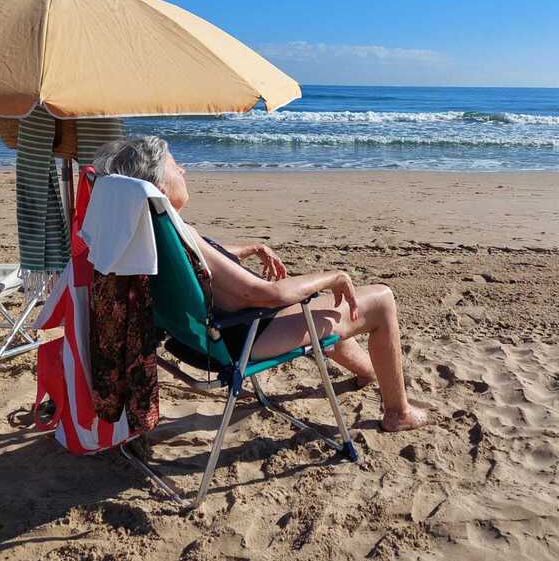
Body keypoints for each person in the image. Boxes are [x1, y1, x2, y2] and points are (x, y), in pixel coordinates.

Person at [92, 135, 429, 432]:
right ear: (160, 187)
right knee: (380, 300)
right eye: (175, 165)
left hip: (197, 339)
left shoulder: (146, 236)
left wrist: (249, 248)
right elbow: (266, 294)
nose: (184, 170)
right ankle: (398, 413)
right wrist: (334, 276)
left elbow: (203, 263)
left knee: (326, 309)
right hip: (243, 335)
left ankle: (369, 372)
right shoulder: (181, 234)